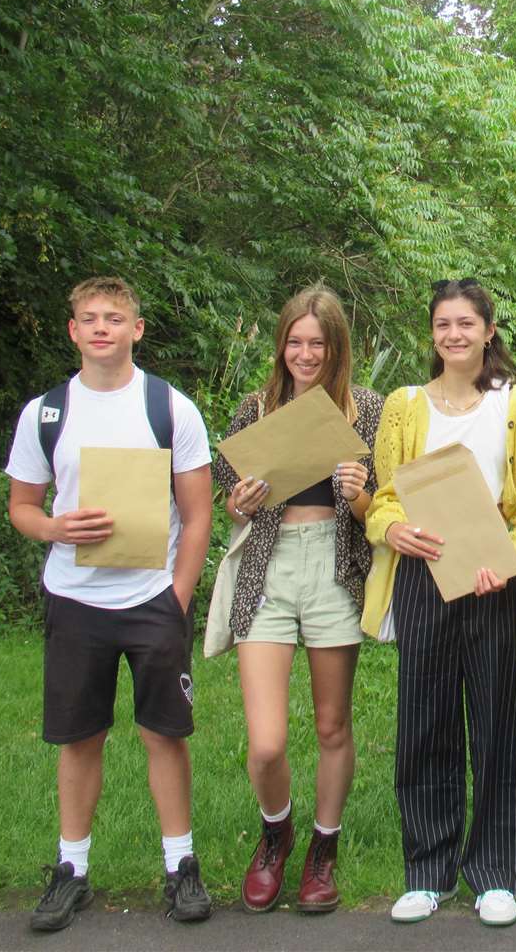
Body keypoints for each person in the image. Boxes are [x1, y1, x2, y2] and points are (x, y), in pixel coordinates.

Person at [5, 276, 213, 931]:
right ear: (72, 330)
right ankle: (72, 870)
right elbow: (22, 507)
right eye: (90, 318)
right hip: (75, 600)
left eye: (115, 318)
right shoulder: (46, 413)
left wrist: (178, 597)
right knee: (79, 738)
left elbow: (199, 513)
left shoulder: (169, 408)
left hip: (152, 598)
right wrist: (55, 529)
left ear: (136, 329)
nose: (102, 328)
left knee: (164, 735)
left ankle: (181, 866)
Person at [363, 279, 516, 928]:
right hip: (424, 578)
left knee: (497, 723)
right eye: (443, 324)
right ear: (433, 335)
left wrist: (509, 559)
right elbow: (386, 493)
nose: (454, 335)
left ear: (488, 330)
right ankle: (427, 871)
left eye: (466, 324)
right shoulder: (404, 405)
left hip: (494, 581)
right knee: (425, 722)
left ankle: (496, 874)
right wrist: (392, 529)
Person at [212, 286, 383, 914]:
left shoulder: (367, 410)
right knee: (267, 743)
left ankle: (323, 850)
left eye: (317, 343)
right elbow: (231, 500)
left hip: (336, 569)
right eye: (295, 341)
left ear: (336, 347)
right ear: (281, 343)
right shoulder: (254, 410)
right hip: (270, 567)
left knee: (333, 724)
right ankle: (275, 832)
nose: (304, 354)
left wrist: (361, 492)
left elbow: (381, 513)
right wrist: (242, 502)